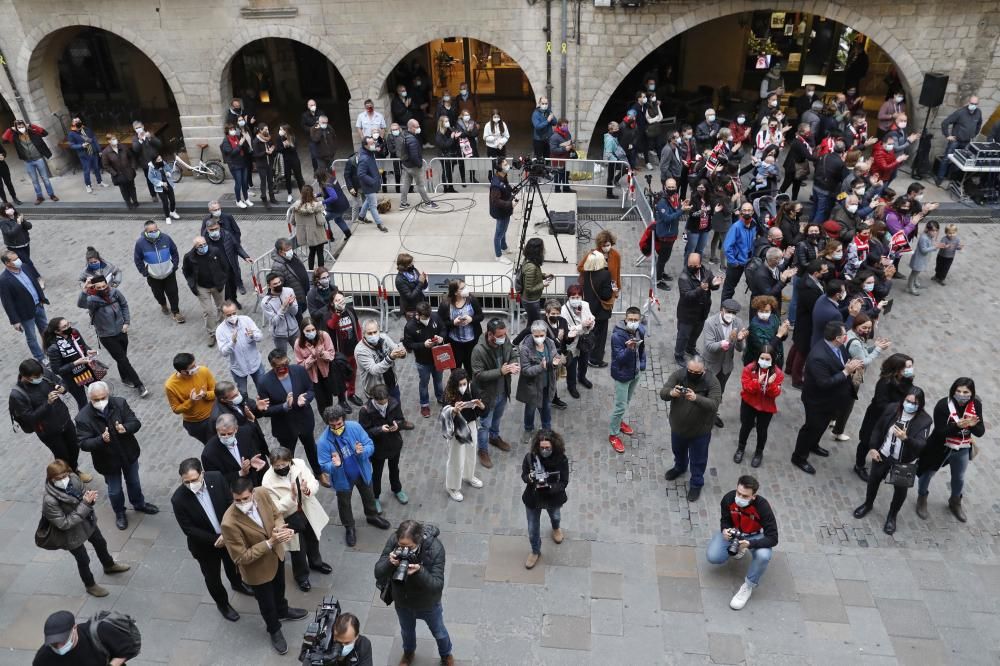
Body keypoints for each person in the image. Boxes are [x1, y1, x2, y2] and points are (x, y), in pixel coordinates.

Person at [221, 476, 308, 655]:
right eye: (237, 500)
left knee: (280, 587)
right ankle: (274, 629)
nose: (242, 503)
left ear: (252, 493)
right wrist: (270, 542)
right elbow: (241, 557)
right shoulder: (229, 523)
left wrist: (278, 528)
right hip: (257, 570)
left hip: (276, 556)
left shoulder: (261, 493)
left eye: (245, 498)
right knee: (266, 602)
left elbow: (276, 514)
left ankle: (283, 610)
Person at [171, 458, 252, 622]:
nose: (191, 484)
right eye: (186, 482)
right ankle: (223, 605)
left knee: (233, 565)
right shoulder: (178, 499)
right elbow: (189, 529)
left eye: (194, 480)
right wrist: (217, 539)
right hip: (205, 547)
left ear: (202, 474)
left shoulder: (216, 478)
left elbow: (231, 502)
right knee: (212, 578)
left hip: (227, 538)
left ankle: (237, 584)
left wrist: (228, 534)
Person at [75, 382, 158, 530]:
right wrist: (100, 440)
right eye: (96, 399)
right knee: (115, 490)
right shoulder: (83, 417)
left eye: (103, 397)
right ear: (90, 398)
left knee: (134, 482)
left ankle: (139, 504)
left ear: (108, 394)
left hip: (128, 453)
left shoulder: (119, 403)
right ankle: (120, 513)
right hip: (107, 461)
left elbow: (135, 423)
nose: (100, 402)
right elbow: (83, 443)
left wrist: (125, 428)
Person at [41, 459, 130, 597]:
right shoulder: (50, 500)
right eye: (59, 478)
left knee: (100, 543)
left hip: (87, 522)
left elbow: (84, 493)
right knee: (83, 559)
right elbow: (64, 523)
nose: (64, 480)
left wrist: (90, 498)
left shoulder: (74, 478)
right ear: (51, 479)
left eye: (65, 475)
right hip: (70, 534)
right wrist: (86, 504)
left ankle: (109, 565)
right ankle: (90, 585)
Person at [373, 520, 453, 666]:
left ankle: (446, 654)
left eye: (408, 547)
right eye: (401, 546)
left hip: (428, 603)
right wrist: (389, 563)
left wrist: (419, 571)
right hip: (403, 601)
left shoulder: (435, 548)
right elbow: (378, 572)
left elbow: (437, 585)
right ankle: (408, 653)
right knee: (406, 631)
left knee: (439, 633)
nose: (404, 550)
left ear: (418, 541)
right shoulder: (394, 540)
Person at [853, 388, 931, 535]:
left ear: (920, 404)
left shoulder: (924, 421)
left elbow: (921, 445)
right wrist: (873, 448)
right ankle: (868, 504)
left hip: (904, 461)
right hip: (883, 454)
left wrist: (906, 439)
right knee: (873, 481)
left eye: (914, 403)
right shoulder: (892, 409)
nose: (910, 404)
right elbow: (878, 428)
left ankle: (892, 516)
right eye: (907, 401)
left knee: (900, 490)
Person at [791, 321, 863, 475]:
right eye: (844, 334)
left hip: (833, 399)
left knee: (822, 425)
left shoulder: (838, 346)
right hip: (817, 401)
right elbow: (824, 383)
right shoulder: (819, 357)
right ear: (837, 338)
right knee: (811, 428)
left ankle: (813, 445)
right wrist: (846, 371)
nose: (846, 337)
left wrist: (849, 366)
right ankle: (799, 456)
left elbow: (843, 361)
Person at [317, 405, 392, 547]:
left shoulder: (355, 428)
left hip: (361, 471)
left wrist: (362, 452)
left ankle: (372, 516)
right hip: (342, 479)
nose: (336, 427)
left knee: (369, 495)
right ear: (328, 424)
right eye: (332, 425)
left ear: (343, 419)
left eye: (339, 423)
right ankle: (349, 527)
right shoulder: (323, 442)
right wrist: (335, 465)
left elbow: (369, 444)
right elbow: (323, 464)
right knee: (344, 503)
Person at [262, 446, 331, 593]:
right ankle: (301, 576)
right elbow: (274, 508)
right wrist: (291, 497)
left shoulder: (299, 464)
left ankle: (315, 562)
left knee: (313, 539)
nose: (281, 468)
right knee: (297, 549)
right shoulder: (267, 481)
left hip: (307, 510)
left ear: (290, 461)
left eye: (284, 464)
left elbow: (313, 481)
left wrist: (307, 490)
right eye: (277, 466)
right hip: (290, 518)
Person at [916, 377, 985, 523]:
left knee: (959, 477)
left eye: (965, 392)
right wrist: (958, 426)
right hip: (939, 446)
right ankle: (922, 497)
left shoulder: (975, 405)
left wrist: (970, 425)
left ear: (971, 393)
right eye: (958, 391)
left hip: (962, 446)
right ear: (953, 391)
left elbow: (980, 431)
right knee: (927, 473)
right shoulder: (943, 406)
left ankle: (955, 502)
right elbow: (941, 432)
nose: (962, 394)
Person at [705, 475, 779, 610]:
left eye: (745, 496)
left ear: (753, 496)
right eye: (738, 493)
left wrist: (750, 544)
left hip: (755, 535)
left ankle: (748, 586)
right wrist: (724, 530)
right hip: (735, 532)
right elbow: (725, 519)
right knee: (713, 556)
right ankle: (739, 548)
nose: (740, 498)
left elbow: (773, 538)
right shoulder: (728, 499)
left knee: (763, 556)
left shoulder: (762, 507)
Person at [9, 359, 90, 480]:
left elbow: (61, 381)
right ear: (25, 377)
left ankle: (73, 470)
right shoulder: (18, 395)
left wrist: (63, 388)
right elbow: (30, 418)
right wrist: (48, 403)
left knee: (75, 447)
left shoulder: (43, 374)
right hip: (48, 431)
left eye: (41, 375)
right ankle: (67, 478)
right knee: (62, 456)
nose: (40, 378)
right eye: (36, 377)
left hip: (64, 420)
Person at [661, 357, 722, 501]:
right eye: (690, 370)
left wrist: (696, 398)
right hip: (678, 428)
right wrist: (671, 393)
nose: (692, 373)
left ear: (703, 370)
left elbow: (714, 405)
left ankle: (696, 484)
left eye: (696, 371)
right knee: (678, 451)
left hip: (700, 432)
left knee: (698, 460)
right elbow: (663, 392)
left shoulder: (712, 382)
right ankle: (680, 467)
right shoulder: (679, 376)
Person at [256, 349, 322, 475]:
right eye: (279, 366)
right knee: (287, 454)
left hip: (304, 420)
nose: (283, 368)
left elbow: (311, 390)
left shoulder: (299, 370)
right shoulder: (264, 382)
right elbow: (265, 411)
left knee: (311, 448)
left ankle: (318, 472)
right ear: (272, 365)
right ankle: (288, 477)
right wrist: (284, 406)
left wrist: (306, 399)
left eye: (286, 364)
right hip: (285, 427)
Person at [853, 353, 915, 481]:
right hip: (877, 418)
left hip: (892, 419)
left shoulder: (906, 380)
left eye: (911, 367)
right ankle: (859, 465)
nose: (910, 370)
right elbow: (881, 404)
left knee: (883, 441)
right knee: (866, 441)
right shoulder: (884, 383)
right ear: (897, 369)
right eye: (907, 368)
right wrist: (899, 407)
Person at [470, 318, 518, 468]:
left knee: (497, 418)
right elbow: (478, 375)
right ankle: (482, 450)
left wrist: (514, 364)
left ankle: (494, 437)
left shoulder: (504, 340)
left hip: (503, 391)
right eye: (500, 335)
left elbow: (512, 354)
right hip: (487, 395)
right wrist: (500, 371)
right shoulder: (478, 351)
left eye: (504, 334)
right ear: (490, 335)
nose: (504, 338)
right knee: (484, 424)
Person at [521, 429, 569, 569]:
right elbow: (524, 476)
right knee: (532, 528)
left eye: (547, 447)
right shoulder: (530, 458)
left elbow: (564, 482)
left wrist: (548, 487)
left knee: (555, 515)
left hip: (553, 497)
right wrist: (530, 478)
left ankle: (556, 528)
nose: (544, 450)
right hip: (533, 498)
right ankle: (535, 551)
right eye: (542, 448)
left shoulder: (561, 459)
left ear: (553, 446)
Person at [359, 384, 409, 511]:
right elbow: (364, 432)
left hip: (394, 443)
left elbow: (401, 419)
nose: (383, 405)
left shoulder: (394, 403)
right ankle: (375, 497)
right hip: (377, 448)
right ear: (374, 399)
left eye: (385, 401)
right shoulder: (365, 410)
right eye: (380, 403)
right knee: (377, 473)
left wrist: (397, 425)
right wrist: (379, 430)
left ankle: (397, 489)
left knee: (394, 469)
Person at [440, 369, 486, 502]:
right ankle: (452, 487)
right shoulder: (449, 394)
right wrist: (454, 410)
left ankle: (469, 475)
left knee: (471, 452)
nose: (463, 387)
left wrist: (480, 405)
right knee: (456, 458)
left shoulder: (472, 388)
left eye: (464, 383)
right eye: (460, 385)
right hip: (457, 428)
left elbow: (482, 410)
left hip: (471, 424)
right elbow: (444, 413)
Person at [33, 608, 137, 666]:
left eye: (63, 641)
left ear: (74, 628)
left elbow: (127, 650)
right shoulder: (42, 658)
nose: (59, 647)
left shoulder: (100, 632)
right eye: (54, 643)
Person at [736, 346, 784, 466]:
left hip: (766, 406)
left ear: (773, 360)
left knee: (762, 430)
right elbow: (747, 388)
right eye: (762, 358)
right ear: (758, 358)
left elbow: (775, 393)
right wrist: (757, 382)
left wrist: (770, 385)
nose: (764, 361)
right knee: (746, 427)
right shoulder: (749, 369)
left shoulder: (777, 374)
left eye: (768, 359)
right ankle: (740, 448)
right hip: (749, 403)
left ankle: (759, 452)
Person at [703, 299, 747, 428]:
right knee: (706, 391)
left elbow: (740, 348)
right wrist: (728, 341)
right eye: (728, 312)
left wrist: (739, 340)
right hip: (711, 365)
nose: (731, 315)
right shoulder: (710, 323)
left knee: (719, 392)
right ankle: (703, 416)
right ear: (722, 309)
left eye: (734, 313)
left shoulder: (738, 323)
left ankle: (713, 414)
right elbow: (709, 346)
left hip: (726, 366)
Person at [608, 307, 646, 453]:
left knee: (626, 402)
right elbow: (619, 359)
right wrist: (629, 349)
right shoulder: (617, 336)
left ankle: (618, 423)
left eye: (636, 320)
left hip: (635, 373)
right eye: (630, 319)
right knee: (620, 406)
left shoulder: (640, 330)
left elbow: (642, 350)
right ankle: (613, 434)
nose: (633, 322)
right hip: (623, 375)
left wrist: (642, 364)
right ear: (625, 318)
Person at [675, 252, 722, 367]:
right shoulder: (684, 277)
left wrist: (715, 284)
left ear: (700, 264)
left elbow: (711, 284)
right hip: (687, 313)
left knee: (696, 332)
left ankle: (690, 348)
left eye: (695, 265)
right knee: (683, 335)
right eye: (690, 265)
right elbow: (687, 296)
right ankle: (679, 354)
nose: (692, 267)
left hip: (702, 311)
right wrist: (700, 289)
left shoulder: (706, 272)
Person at [1, 248, 48, 362]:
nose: (18, 261)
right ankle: (40, 358)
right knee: (31, 337)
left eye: (17, 258)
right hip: (25, 313)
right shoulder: (4, 280)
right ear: (7, 263)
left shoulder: (26, 267)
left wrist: (42, 298)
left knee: (46, 331)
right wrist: (15, 321)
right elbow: (7, 302)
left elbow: (35, 283)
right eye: (14, 260)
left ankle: (50, 351)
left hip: (39, 306)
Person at [133, 220, 184, 323]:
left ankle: (176, 312)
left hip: (169, 273)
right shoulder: (140, 243)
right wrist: (144, 272)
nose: (154, 232)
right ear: (146, 231)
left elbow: (174, 251)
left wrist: (174, 265)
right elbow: (137, 259)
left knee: (173, 292)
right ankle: (163, 304)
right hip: (153, 276)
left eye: (156, 230)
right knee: (158, 293)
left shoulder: (166, 238)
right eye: (151, 231)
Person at [355, 318, 411, 411]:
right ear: (363, 334)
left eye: (375, 332)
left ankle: (400, 421)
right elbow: (374, 370)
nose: (373, 335)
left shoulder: (384, 337)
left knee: (396, 406)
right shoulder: (361, 350)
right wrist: (390, 357)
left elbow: (395, 348)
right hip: (376, 389)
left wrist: (402, 352)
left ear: (378, 330)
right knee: (380, 414)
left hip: (391, 381)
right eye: (369, 333)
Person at [517, 319, 560, 437]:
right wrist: (541, 367)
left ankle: (547, 429)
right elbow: (525, 370)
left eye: (542, 335)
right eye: (536, 335)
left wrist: (558, 361)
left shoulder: (550, 343)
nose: (539, 338)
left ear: (546, 334)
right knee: (530, 409)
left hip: (547, 383)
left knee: (546, 408)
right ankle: (528, 428)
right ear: (532, 334)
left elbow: (556, 355)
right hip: (532, 386)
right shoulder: (526, 348)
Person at [43, 317, 97, 409]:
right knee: (83, 403)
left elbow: (83, 346)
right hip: (72, 379)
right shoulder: (54, 348)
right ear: (57, 331)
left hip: (85, 371)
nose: (69, 327)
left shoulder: (74, 333)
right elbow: (57, 370)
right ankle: (85, 422)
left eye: (68, 324)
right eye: (65, 326)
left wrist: (88, 351)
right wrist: (75, 363)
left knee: (98, 391)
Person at [182, 236, 227, 347]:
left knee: (222, 307)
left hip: (217, 285)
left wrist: (223, 278)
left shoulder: (215, 251)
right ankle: (212, 333)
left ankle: (222, 326)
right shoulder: (189, 257)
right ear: (195, 247)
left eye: (204, 244)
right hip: (202, 287)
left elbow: (224, 265)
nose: (203, 247)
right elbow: (186, 271)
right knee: (208, 311)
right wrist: (192, 284)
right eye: (200, 246)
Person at [403, 301, 445, 418]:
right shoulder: (410, 326)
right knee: (424, 384)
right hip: (423, 362)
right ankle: (424, 404)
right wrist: (423, 345)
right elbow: (409, 344)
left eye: (428, 317)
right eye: (424, 317)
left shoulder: (435, 317)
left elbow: (443, 329)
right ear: (418, 315)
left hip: (438, 358)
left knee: (438, 380)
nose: (427, 320)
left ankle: (440, 397)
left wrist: (441, 337)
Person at [202, 205, 252, 303]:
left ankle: (235, 299)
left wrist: (246, 256)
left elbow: (236, 246)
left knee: (233, 283)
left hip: (229, 263)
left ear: (219, 227)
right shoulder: (204, 240)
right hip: (218, 268)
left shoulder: (227, 234)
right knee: (224, 289)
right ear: (207, 230)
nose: (214, 232)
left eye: (216, 229)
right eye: (211, 230)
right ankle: (227, 304)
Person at [164, 352, 217, 444]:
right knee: (211, 445)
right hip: (197, 424)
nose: (196, 368)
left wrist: (205, 395)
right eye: (192, 367)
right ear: (183, 371)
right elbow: (176, 409)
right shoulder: (170, 386)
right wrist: (191, 401)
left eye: (195, 364)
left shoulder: (203, 371)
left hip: (215, 414)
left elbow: (217, 392)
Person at [2, 120, 58, 204]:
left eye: (22, 126)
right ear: (16, 128)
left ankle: (52, 195)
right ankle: (39, 197)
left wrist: (32, 126)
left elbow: (45, 133)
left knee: (45, 178)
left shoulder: (33, 132)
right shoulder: (15, 136)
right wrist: (10, 129)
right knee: (34, 181)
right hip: (28, 162)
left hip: (39, 159)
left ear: (25, 126)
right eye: (19, 127)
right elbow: (4, 139)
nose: (21, 128)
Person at [216, 301, 264, 396]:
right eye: (228, 315)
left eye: (234, 313)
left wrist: (253, 335)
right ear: (223, 315)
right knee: (242, 394)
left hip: (255, 363)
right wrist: (232, 343)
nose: (232, 316)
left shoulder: (246, 320)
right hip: (239, 368)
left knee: (263, 389)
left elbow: (260, 337)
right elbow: (224, 352)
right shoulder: (220, 330)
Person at [437, 279, 483, 375]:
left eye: (465, 287)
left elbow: (481, 316)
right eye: (462, 288)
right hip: (455, 343)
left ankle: (469, 386)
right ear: (455, 292)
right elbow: (440, 323)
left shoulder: (472, 300)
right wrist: (453, 323)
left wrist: (471, 319)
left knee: (470, 368)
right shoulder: (446, 304)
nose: (466, 289)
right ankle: (456, 388)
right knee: (455, 369)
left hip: (471, 342)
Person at [936, 95, 982, 186]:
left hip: (967, 142)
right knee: (946, 159)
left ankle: (952, 178)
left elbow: (979, 124)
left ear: (978, 104)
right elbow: (945, 122)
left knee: (960, 162)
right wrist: (947, 135)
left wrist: (974, 134)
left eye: (975, 104)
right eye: (972, 103)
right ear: (969, 102)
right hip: (956, 140)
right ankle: (939, 178)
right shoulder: (960, 112)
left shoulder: (978, 112)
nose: (973, 105)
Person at [580, 250, 614, 368]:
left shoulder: (586, 273)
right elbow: (606, 295)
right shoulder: (605, 275)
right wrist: (612, 291)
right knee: (600, 336)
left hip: (589, 308)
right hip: (600, 311)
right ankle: (595, 359)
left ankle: (588, 353)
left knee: (591, 332)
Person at [721, 203, 759, 301]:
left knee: (755, 286)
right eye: (744, 210)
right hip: (736, 264)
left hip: (749, 262)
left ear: (753, 212)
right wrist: (734, 262)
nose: (747, 212)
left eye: (749, 210)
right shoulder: (736, 227)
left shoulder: (754, 223)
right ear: (741, 212)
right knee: (729, 289)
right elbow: (727, 247)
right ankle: (724, 309)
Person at [653, 178, 687, 287]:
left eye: (673, 187)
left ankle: (661, 273)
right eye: (669, 187)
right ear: (665, 187)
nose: (671, 189)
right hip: (665, 235)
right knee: (663, 258)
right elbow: (667, 218)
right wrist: (682, 210)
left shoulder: (675, 197)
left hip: (672, 234)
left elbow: (675, 212)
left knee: (666, 257)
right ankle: (657, 280)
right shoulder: (662, 202)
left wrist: (682, 207)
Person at [288, 185, 330, 270]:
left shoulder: (296, 206)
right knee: (320, 253)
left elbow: (292, 221)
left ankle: (310, 271)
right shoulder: (316, 206)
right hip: (317, 234)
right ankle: (321, 272)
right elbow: (321, 221)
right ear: (312, 193)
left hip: (306, 235)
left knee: (311, 253)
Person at [399, 119, 436, 209]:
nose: (419, 128)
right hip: (414, 167)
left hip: (406, 165)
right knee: (420, 185)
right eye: (417, 127)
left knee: (406, 184)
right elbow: (414, 156)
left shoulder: (405, 135)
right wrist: (419, 164)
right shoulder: (412, 140)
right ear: (411, 127)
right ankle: (428, 203)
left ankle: (403, 204)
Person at [357, 135, 389, 231]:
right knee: (373, 205)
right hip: (369, 185)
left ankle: (361, 217)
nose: (373, 145)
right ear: (365, 145)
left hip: (371, 184)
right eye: (371, 144)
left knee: (368, 201)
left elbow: (378, 148)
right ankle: (380, 224)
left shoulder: (368, 152)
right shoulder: (364, 158)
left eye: (373, 143)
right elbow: (361, 174)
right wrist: (373, 181)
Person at [66, 118, 105, 193]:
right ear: (73, 123)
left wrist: (99, 150)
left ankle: (100, 182)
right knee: (86, 171)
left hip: (93, 152)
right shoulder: (71, 133)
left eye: (79, 121)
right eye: (76, 121)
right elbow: (72, 145)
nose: (78, 122)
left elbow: (94, 140)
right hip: (84, 155)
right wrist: (81, 145)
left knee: (97, 168)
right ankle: (88, 185)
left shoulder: (87, 129)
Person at [100, 133, 138, 208]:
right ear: (109, 141)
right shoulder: (106, 152)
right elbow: (106, 165)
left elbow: (131, 157)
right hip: (118, 175)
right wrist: (114, 173)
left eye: (115, 139)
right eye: (113, 139)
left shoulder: (123, 147)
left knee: (132, 187)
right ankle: (128, 202)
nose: (115, 140)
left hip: (128, 172)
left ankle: (135, 201)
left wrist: (133, 167)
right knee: (124, 189)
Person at [906, 220, 942, 295]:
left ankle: (915, 283)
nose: (934, 232)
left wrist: (935, 245)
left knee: (917, 272)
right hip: (918, 260)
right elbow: (924, 250)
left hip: (922, 259)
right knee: (914, 273)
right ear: (928, 230)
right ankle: (910, 287)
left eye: (936, 230)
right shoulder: (924, 238)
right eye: (933, 230)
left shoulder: (929, 236)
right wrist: (935, 247)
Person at [221, 122, 253, 207]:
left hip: (243, 163)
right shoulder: (226, 141)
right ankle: (238, 200)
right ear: (227, 131)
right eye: (231, 129)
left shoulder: (238, 137)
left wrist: (245, 141)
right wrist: (239, 145)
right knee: (238, 183)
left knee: (244, 182)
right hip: (234, 165)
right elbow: (231, 153)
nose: (233, 131)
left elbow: (244, 148)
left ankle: (246, 199)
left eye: (234, 129)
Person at [489, 158, 514, 261]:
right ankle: (498, 255)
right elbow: (496, 201)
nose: (507, 165)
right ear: (499, 167)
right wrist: (510, 204)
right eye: (505, 164)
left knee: (504, 229)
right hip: (500, 211)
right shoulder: (496, 183)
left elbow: (505, 188)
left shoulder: (503, 176)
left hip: (505, 210)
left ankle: (504, 247)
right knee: (499, 233)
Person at [130, 121, 162, 201]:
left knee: (159, 176)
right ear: (134, 129)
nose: (138, 129)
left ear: (143, 126)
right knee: (150, 179)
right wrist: (140, 141)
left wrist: (151, 138)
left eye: (139, 127)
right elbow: (135, 149)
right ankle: (153, 195)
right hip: (145, 163)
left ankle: (162, 192)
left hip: (155, 160)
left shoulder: (149, 134)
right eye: (136, 128)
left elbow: (159, 144)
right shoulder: (135, 138)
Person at [146, 155, 180, 225]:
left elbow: (169, 169)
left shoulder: (163, 163)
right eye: (158, 160)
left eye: (161, 158)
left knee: (172, 200)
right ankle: (167, 217)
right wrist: (161, 183)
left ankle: (172, 211)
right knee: (165, 203)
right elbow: (151, 178)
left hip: (168, 184)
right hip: (160, 188)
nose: (160, 160)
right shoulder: (151, 168)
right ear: (154, 161)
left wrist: (168, 173)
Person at [275, 124, 304, 204]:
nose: (280, 131)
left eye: (281, 129)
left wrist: (289, 145)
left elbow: (295, 149)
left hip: (294, 159)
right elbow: (278, 149)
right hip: (286, 160)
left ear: (286, 131)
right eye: (279, 129)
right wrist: (284, 146)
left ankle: (303, 194)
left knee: (299, 177)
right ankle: (289, 194)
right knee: (287, 177)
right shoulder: (279, 138)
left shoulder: (292, 137)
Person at [0, 202, 34, 269]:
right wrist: (18, 223)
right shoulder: (3, 222)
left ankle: (25, 273)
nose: (10, 210)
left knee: (25, 261)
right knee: (29, 263)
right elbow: (11, 234)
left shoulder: (17, 216)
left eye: (10, 207)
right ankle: (37, 277)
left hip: (25, 243)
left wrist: (23, 221)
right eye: (6, 209)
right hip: (15, 247)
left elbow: (29, 226)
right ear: (3, 212)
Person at [602, 121, 628, 198]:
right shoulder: (610, 140)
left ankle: (609, 192)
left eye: (617, 128)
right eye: (616, 129)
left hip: (613, 159)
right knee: (611, 176)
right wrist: (617, 161)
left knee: (610, 176)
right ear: (611, 129)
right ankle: (609, 193)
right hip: (613, 160)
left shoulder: (612, 137)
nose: (617, 130)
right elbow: (608, 153)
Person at [549, 118, 574, 193]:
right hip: (558, 160)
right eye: (564, 125)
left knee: (566, 174)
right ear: (559, 126)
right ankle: (557, 190)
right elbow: (553, 150)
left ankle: (566, 188)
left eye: (566, 125)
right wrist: (564, 149)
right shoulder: (554, 136)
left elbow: (570, 141)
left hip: (566, 158)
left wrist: (572, 146)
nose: (566, 127)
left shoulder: (567, 133)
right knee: (558, 175)